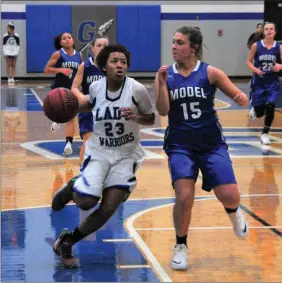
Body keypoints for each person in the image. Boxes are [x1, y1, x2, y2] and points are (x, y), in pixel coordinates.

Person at [50, 44, 155, 268]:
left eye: (123, 62)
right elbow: (86, 105)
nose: (119, 65)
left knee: (108, 208)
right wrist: (63, 107)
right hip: (99, 151)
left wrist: (137, 116)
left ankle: (67, 241)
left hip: (127, 155)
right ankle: (73, 187)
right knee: (87, 202)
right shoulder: (97, 88)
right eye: (114, 61)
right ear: (104, 67)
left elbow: (151, 118)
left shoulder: (136, 89)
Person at [155, 26, 249, 271]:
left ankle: (233, 212)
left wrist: (240, 97)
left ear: (192, 48)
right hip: (180, 144)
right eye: (173, 42)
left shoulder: (210, 73)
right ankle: (180, 246)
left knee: (230, 194)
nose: (173, 47)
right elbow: (163, 111)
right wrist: (161, 85)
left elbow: (236, 92)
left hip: (211, 144)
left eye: (179, 42)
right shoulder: (167, 74)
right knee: (184, 196)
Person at [71, 35, 109, 165]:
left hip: (107, 110)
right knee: (88, 141)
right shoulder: (85, 66)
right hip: (88, 110)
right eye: (99, 45)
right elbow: (74, 87)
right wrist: (82, 97)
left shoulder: (113, 66)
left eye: (105, 46)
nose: (102, 48)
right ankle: (82, 173)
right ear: (92, 48)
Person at [44, 32, 82, 155]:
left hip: (72, 91)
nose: (67, 39)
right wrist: (61, 70)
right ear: (61, 43)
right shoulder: (58, 54)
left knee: (71, 117)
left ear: (73, 41)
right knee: (60, 112)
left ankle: (68, 144)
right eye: (64, 38)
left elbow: (81, 72)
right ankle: (57, 119)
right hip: (58, 91)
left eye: (69, 37)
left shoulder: (79, 55)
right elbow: (47, 69)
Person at [246, 22, 282, 145]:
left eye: (271, 29)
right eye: (266, 29)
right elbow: (249, 62)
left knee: (271, 106)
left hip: (272, 82)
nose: (269, 31)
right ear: (263, 32)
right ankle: (255, 109)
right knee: (260, 112)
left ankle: (265, 133)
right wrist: (256, 70)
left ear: (275, 32)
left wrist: (280, 66)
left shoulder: (279, 47)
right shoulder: (256, 46)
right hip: (259, 82)